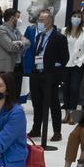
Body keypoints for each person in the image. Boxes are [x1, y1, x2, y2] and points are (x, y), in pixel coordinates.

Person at [27, 10, 69, 141]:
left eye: (41, 20)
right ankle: (36, 128)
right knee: (36, 102)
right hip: (36, 74)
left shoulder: (59, 37)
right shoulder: (39, 36)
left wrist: (54, 69)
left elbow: (64, 58)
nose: (39, 22)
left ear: (50, 21)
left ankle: (57, 131)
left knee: (53, 104)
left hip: (49, 76)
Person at [63, 11, 84, 123]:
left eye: (78, 17)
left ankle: (72, 113)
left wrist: (82, 61)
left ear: (81, 19)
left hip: (78, 63)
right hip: (66, 64)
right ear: (70, 18)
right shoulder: (64, 30)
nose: (76, 18)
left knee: (74, 88)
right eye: (74, 16)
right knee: (66, 88)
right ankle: (66, 113)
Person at [0, 8, 26, 73]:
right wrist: (20, 43)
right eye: (18, 17)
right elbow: (10, 47)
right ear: (12, 18)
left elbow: (27, 43)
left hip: (17, 64)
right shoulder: (1, 30)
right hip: (5, 65)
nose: (19, 20)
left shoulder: (16, 30)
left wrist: (18, 43)